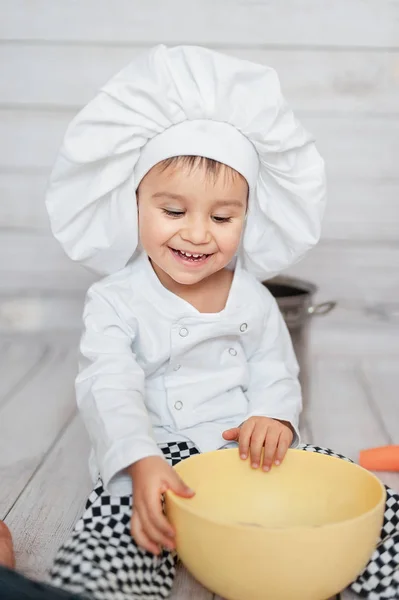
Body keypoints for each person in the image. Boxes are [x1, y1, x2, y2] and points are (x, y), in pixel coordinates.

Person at [1, 45, 398, 600]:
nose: (196, 234)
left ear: (248, 216)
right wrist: (139, 463)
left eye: (221, 217)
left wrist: (274, 419)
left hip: (245, 460)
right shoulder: (114, 300)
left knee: (365, 503)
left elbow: (276, 371)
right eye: (172, 211)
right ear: (133, 202)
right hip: (154, 460)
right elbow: (108, 385)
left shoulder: (254, 298)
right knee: (115, 544)